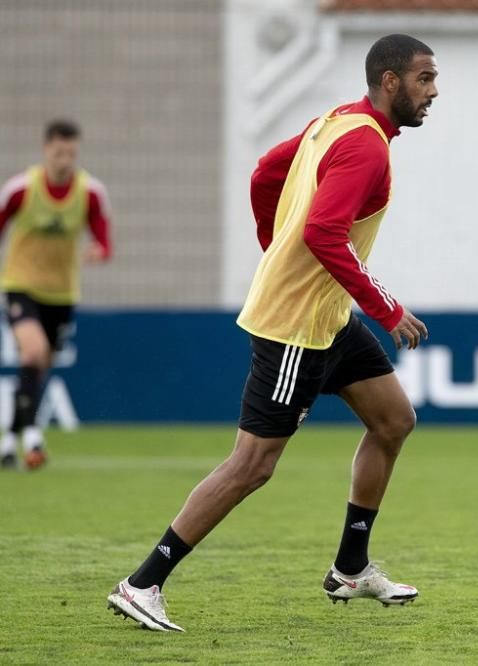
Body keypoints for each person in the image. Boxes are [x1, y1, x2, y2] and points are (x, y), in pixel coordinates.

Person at [107, 34, 438, 632]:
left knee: (393, 420)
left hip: (328, 317)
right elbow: (323, 233)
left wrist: (271, 245)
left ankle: (350, 568)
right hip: (297, 328)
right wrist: (386, 308)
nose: (433, 91)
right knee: (252, 465)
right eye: (424, 79)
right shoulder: (365, 148)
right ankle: (143, 582)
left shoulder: (337, 121)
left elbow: (265, 174)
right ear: (390, 82)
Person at [0, 120, 113, 471]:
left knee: (38, 367)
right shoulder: (22, 188)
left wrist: (98, 251)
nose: (65, 160)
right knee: (33, 352)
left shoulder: (90, 192)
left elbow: (104, 239)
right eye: (59, 152)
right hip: (21, 285)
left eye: (71, 153)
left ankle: (8, 440)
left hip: (62, 293)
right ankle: (32, 435)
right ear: (46, 149)